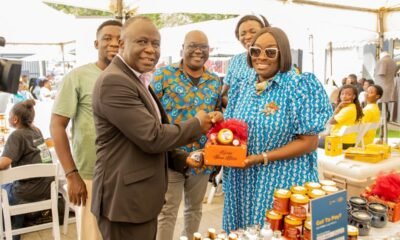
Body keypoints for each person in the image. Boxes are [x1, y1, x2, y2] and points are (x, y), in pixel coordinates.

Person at [90, 16, 222, 240]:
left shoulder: (136, 79)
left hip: (139, 199)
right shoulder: (115, 81)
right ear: (122, 44)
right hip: (125, 203)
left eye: (156, 43)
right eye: (142, 42)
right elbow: (152, 136)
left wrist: (181, 159)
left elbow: (147, 132)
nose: (150, 49)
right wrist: (198, 124)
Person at [222, 27, 332, 232]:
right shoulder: (242, 86)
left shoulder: (299, 86)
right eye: (255, 51)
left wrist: (260, 157)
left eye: (270, 52)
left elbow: (308, 143)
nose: (261, 57)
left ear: (283, 54)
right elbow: (231, 130)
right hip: (242, 180)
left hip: (280, 181)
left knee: (273, 232)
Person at [50, 19, 122, 240]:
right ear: (96, 44)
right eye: (107, 38)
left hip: (124, 175)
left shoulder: (131, 78)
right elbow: (57, 125)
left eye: (120, 39)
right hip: (89, 174)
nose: (113, 43)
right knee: (91, 235)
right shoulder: (78, 76)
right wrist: (72, 175)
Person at [152, 30, 222, 240]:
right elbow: (150, 111)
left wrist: (220, 115)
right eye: (192, 45)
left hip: (202, 157)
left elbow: (217, 112)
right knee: (167, 212)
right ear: (182, 49)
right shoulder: (163, 75)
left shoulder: (215, 81)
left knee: (194, 209)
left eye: (204, 47)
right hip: (170, 155)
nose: (198, 51)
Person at [0, 99, 52, 240]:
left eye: (9, 115)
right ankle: (18, 226)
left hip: (27, 193)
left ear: (15, 119)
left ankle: (11, 231)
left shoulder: (16, 135)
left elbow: (3, 164)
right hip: (46, 189)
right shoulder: (37, 131)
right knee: (14, 185)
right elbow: (45, 158)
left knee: (3, 187)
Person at [221, 14, 269, 107]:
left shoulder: (272, 60)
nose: (247, 37)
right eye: (242, 34)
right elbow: (224, 94)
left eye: (253, 31)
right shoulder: (235, 60)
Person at [328, 84, 364, 149]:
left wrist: (338, 108)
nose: (344, 96)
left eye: (348, 94)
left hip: (341, 142)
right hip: (349, 141)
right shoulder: (353, 107)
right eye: (342, 94)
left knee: (313, 140)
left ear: (353, 97)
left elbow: (330, 121)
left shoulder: (348, 109)